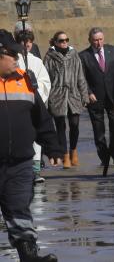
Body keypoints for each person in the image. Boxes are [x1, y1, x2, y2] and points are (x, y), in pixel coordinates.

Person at [0, 30, 61, 262]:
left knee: (19, 210)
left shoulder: (25, 80)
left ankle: (29, 256)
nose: (17, 58)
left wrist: (53, 146)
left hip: (20, 163)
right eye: (11, 54)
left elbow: (41, 117)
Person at [44, 31, 89, 169]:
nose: (64, 42)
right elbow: (46, 79)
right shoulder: (49, 57)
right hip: (57, 95)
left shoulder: (74, 55)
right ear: (55, 42)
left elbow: (80, 76)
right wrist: (46, 99)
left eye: (66, 40)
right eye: (61, 40)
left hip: (73, 94)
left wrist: (84, 95)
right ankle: (65, 156)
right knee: (61, 127)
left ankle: (73, 150)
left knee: (74, 124)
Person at [79, 27, 114, 168]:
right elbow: (82, 78)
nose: (98, 43)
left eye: (100, 39)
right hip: (95, 98)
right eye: (95, 40)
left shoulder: (113, 51)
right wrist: (88, 93)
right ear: (90, 40)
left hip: (113, 95)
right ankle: (104, 157)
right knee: (99, 130)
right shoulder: (84, 56)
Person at [14, 31, 51, 184]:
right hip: (18, 107)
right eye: (24, 42)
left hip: (33, 106)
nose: (27, 44)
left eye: (29, 41)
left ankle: (35, 171)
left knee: (35, 139)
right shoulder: (13, 60)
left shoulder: (36, 61)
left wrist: (36, 91)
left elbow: (45, 82)